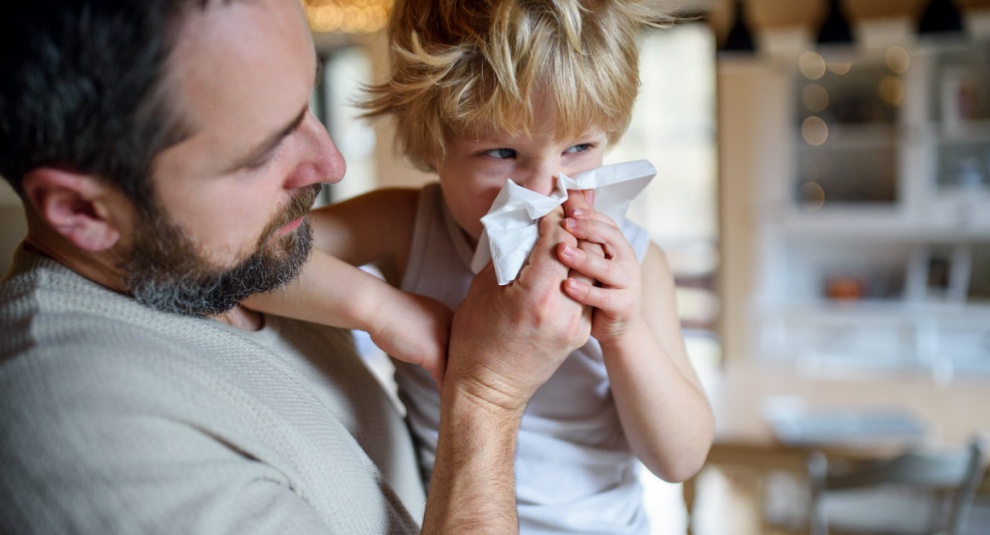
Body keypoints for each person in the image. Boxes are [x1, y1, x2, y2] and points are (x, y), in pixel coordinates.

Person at [0, 0, 596, 533]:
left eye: (306, 105)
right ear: (82, 210)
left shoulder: (239, 262)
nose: (332, 165)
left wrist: (382, 307)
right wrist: (488, 397)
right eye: (261, 154)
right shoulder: (80, 429)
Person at [246, 0, 715, 532]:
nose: (546, 188)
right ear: (434, 146)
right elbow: (244, 257)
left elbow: (680, 459)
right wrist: (389, 311)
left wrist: (625, 333)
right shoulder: (408, 226)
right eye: (502, 153)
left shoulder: (634, 263)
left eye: (580, 147)